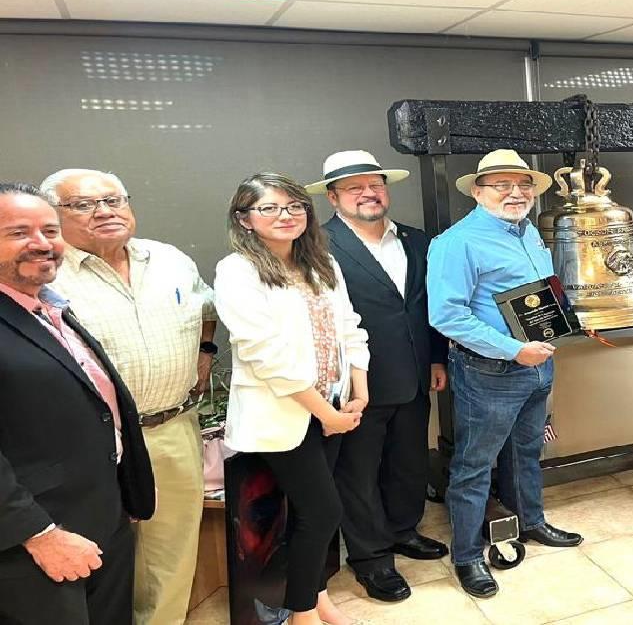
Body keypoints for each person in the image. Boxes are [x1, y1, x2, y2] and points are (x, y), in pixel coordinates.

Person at [41, 168, 215, 625]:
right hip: (92, 444)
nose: (104, 212)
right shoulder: (45, 273)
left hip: (174, 428)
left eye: (114, 199)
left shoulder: (170, 259)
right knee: (95, 557)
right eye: (82, 204)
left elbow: (207, 307)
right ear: (52, 216)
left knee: (171, 555)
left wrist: (206, 350)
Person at [213, 173, 369, 625]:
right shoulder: (237, 271)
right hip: (287, 414)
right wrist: (327, 415)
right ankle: (302, 614)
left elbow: (348, 326)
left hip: (335, 404)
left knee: (311, 512)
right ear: (244, 219)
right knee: (323, 511)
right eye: (270, 208)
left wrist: (360, 388)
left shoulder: (322, 263)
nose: (285, 215)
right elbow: (265, 354)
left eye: (294, 206)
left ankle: (317, 597)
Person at [427, 149, 583, 599]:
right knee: (474, 465)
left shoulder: (529, 232)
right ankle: (467, 555)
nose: (515, 193)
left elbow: (535, 296)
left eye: (523, 184)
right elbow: (447, 315)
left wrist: (562, 320)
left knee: (526, 452)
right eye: (501, 184)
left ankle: (530, 521)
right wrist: (515, 350)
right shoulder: (457, 242)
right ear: (477, 192)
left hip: (538, 366)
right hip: (490, 372)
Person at [0, 182, 155, 624]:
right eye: (19, 232)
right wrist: (39, 535)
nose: (42, 243)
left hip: (100, 516)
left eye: (50, 230)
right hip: (33, 540)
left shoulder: (49, 308)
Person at [305, 150, 448, 602]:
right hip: (354, 383)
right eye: (354, 187)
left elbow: (429, 307)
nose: (369, 193)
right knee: (358, 472)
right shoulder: (315, 245)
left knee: (409, 460)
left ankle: (404, 529)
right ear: (333, 197)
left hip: (414, 371)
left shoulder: (416, 240)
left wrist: (437, 359)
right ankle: (371, 557)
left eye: (376, 184)